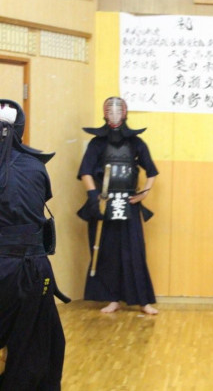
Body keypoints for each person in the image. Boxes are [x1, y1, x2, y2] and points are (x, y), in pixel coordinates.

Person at [0, 99, 68, 390]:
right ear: (22, 131)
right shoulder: (34, 167)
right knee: (38, 342)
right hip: (33, 270)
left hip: (5, 267)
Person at [77, 96, 159, 315]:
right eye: (110, 111)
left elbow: (151, 171)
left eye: (118, 111)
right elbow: (85, 171)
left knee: (134, 251)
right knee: (107, 252)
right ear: (104, 114)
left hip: (129, 203)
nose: (114, 116)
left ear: (125, 114)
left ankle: (143, 301)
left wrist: (144, 194)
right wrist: (94, 195)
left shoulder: (136, 143)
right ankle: (112, 298)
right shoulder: (97, 143)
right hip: (104, 204)